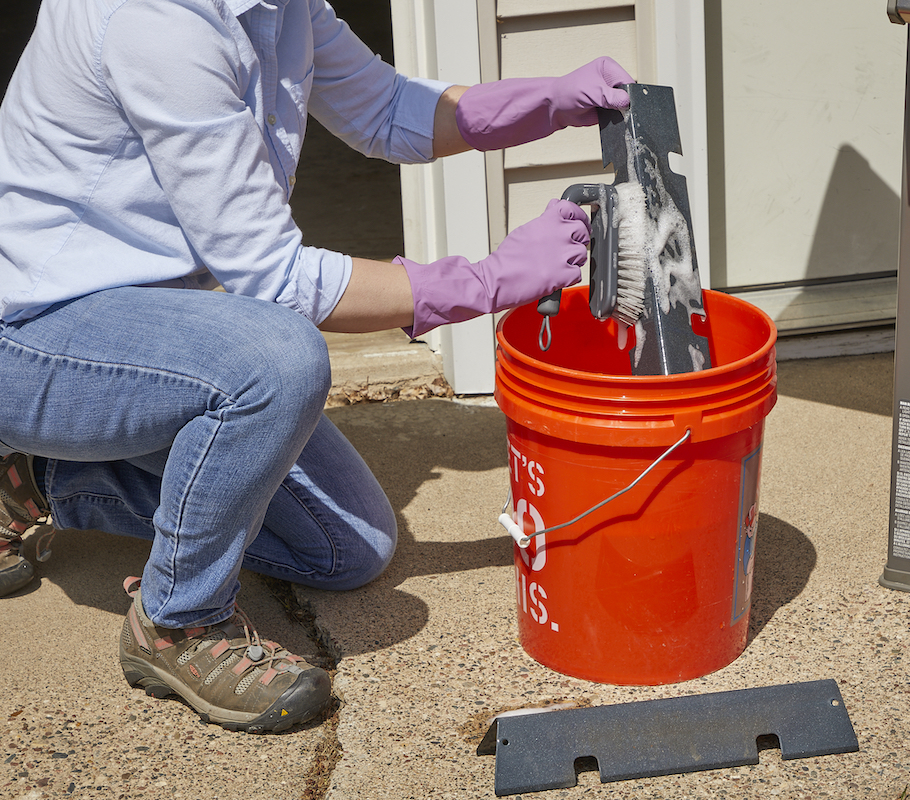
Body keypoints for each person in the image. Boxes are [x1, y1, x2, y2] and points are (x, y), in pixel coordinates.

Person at [0, 0, 632, 733]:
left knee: (348, 549)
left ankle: (39, 479)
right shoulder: (158, 21)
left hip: (153, 328)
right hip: (35, 335)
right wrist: (483, 282)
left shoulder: (281, 7)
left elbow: (388, 108)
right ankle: (179, 623)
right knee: (275, 362)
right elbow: (273, 279)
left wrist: (548, 103)